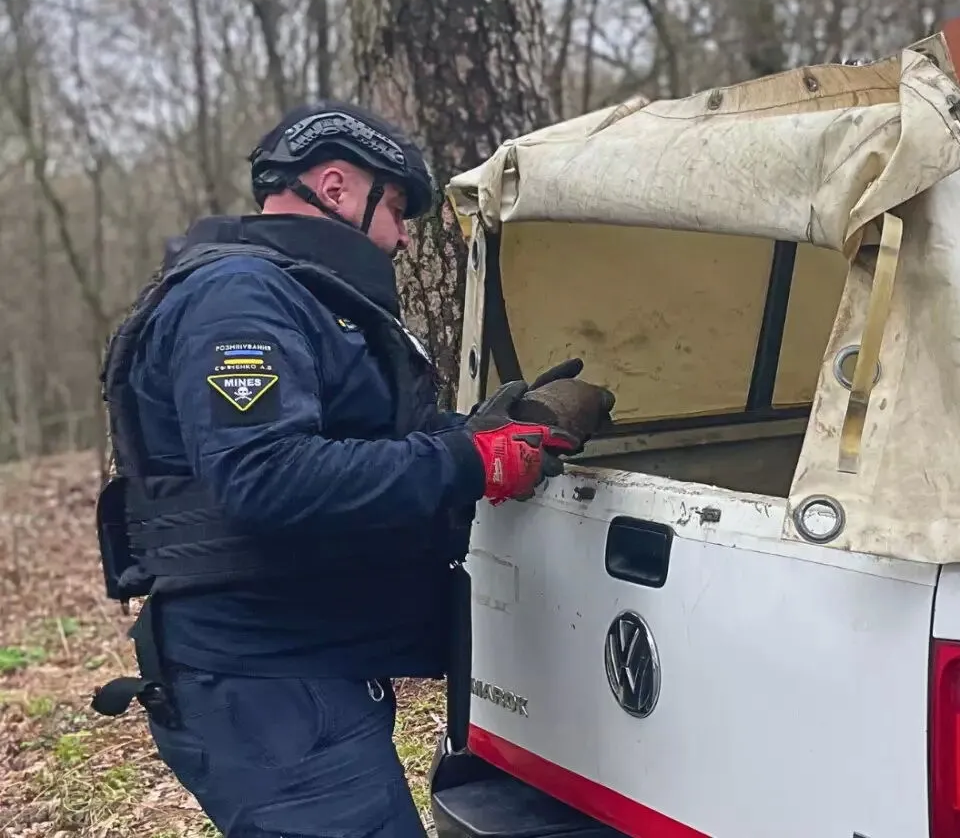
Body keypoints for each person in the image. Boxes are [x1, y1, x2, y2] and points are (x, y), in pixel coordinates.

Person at [89, 100, 613, 837]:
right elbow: (265, 478)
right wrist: (471, 460)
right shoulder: (241, 299)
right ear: (334, 187)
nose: (403, 235)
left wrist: (483, 431)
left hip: (308, 663)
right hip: (264, 680)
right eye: (396, 208)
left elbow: (354, 444)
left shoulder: (304, 299)